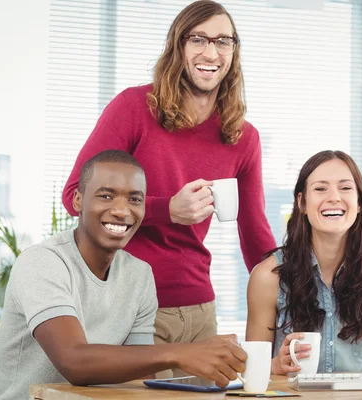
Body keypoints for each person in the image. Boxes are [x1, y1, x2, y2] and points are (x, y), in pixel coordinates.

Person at [62, 0, 276, 355]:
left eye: (224, 41)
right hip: (131, 304)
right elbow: (74, 197)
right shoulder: (134, 108)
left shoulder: (243, 136)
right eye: (198, 39)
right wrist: (167, 210)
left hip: (201, 310)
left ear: (233, 52)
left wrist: (299, 292)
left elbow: (255, 236)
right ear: (178, 46)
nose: (212, 51)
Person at [0, 150, 247, 400]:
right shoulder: (43, 262)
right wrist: (183, 353)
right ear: (78, 200)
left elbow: (137, 367)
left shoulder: (139, 275)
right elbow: (73, 361)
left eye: (134, 199)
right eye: (106, 196)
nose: (122, 211)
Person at [245, 150, 362, 375]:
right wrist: (274, 367)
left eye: (345, 188)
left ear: (359, 202)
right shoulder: (268, 276)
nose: (334, 197)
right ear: (301, 203)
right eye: (320, 188)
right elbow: (254, 373)